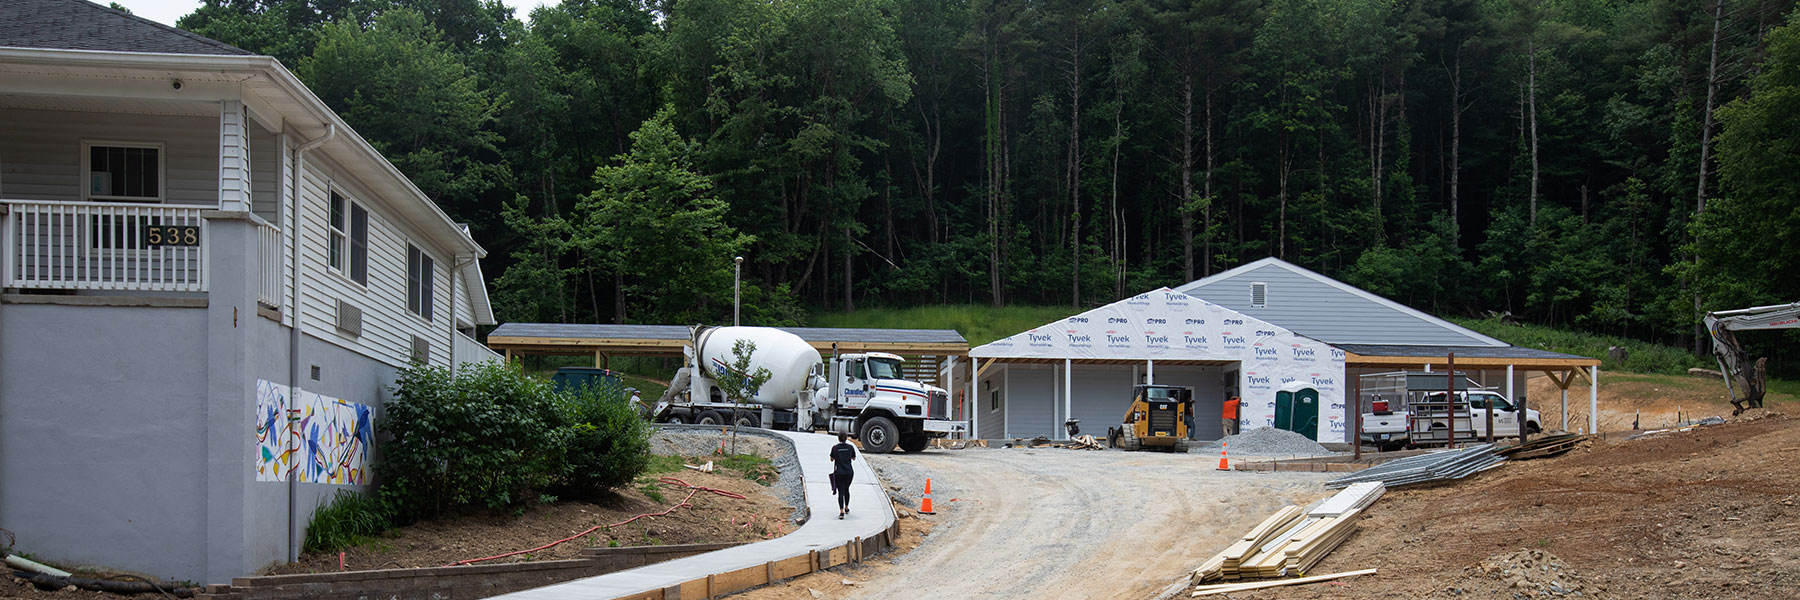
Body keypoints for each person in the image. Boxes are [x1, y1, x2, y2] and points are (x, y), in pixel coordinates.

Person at [829, 432, 856, 518]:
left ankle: (841, 511)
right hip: (849, 472)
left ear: (838, 438)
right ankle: (847, 507)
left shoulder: (835, 448)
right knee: (846, 489)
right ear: (846, 438)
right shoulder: (850, 447)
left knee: (840, 491)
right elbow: (854, 458)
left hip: (839, 473)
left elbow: (831, 459)